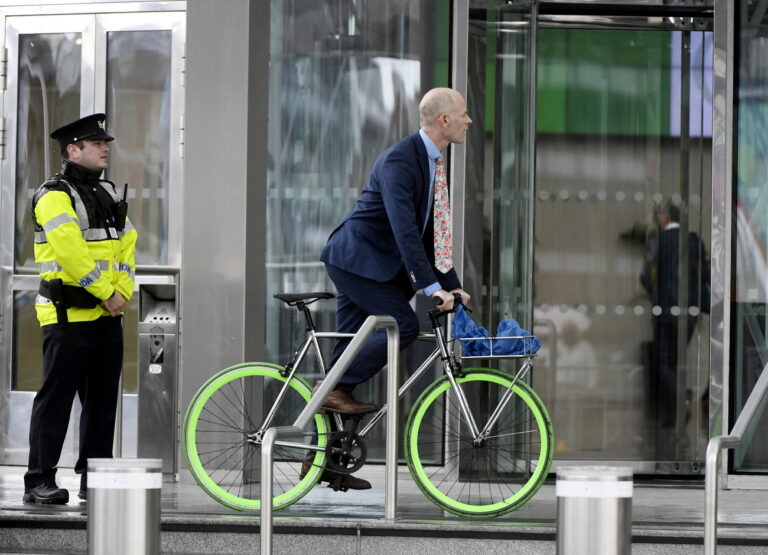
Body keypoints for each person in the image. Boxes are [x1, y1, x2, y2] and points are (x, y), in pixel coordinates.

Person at [315, 88, 472, 490]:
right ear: (444, 121)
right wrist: (430, 289)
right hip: (357, 260)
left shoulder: (432, 163)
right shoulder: (402, 160)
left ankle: (329, 465)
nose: (469, 121)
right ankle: (327, 389)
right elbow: (406, 233)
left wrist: (454, 286)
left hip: (374, 267)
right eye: (464, 114)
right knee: (400, 324)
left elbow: (434, 238)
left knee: (349, 360)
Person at [23, 114, 137, 504]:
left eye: (105, 142)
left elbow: (127, 244)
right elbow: (70, 251)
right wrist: (107, 291)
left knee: (103, 404)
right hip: (67, 314)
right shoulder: (54, 194)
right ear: (73, 149)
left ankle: (96, 478)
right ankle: (39, 481)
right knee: (56, 400)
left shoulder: (106, 191)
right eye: (96, 143)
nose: (106, 147)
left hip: (107, 315)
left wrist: (121, 291)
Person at [640, 200, 704, 430]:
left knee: (665, 362)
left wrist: (655, 296)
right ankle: (674, 412)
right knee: (676, 362)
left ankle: (677, 406)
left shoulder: (658, 240)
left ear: (665, 216)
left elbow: (646, 276)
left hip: (665, 311)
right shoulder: (694, 241)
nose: (659, 218)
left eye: (660, 214)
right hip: (689, 312)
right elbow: (703, 274)